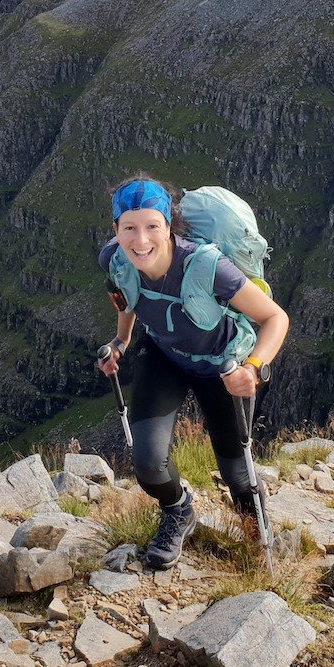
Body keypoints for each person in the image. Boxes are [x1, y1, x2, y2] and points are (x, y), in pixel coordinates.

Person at [97, 176, 289, 569]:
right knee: (149, 465)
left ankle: (258, 533)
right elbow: (126, 297)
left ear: (169, 225)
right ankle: (179, 511)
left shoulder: (208, 267)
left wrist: (253, 368)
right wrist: (121, 341)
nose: (140, 240)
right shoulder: (115, 258)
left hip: (223, 367)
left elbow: (274, 318)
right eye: (129, 228)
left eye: (152, 226)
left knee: (237, 474)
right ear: (115, 229)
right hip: (166, 355)